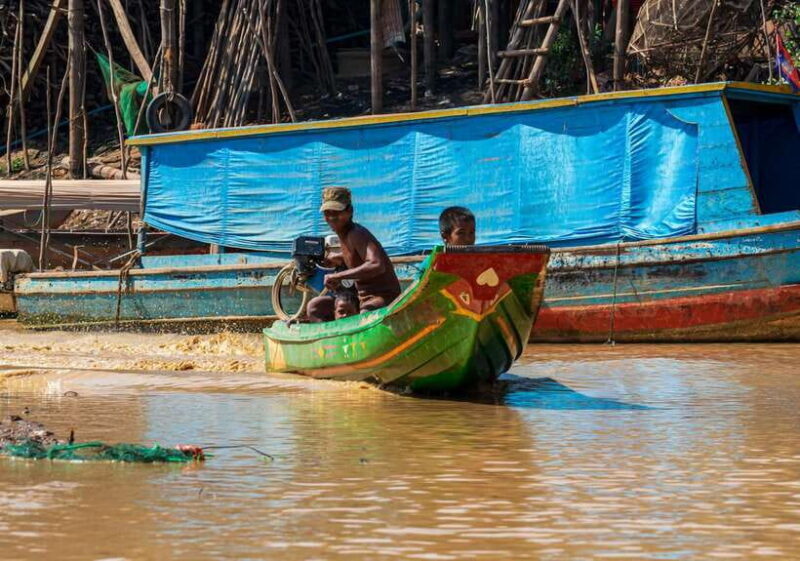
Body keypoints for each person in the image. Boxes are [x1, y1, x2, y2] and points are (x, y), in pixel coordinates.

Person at [305, 187, 402, 323]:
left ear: (350, 211)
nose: (332, 217)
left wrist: (337, 276)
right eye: (327, 213)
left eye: (337, 212)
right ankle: (329, 341)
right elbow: (356, 258)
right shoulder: (344, 235)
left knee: (366, 313)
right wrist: (338, 259)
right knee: (315, 307)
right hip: (359, 298)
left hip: (382, 298)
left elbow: (376, 264)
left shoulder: (356, 233)